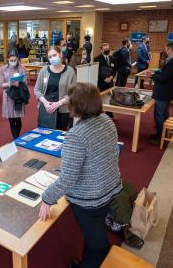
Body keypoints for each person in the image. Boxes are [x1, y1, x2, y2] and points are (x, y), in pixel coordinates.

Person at [39, 83, 122, 268]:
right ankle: (88, 259)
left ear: (76, 106)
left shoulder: (76, 135)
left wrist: (47, 198)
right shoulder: (106, 120)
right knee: (94, 231)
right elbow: (110, 153)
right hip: (110, 186)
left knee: (97, 242)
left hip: (90, 198)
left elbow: (68, 179)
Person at [146, 41, 173, 145]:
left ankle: (159, 138)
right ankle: (162, 133)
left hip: (163, 93)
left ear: (170, 50)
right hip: (167, 92)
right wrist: (156, 72)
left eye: (166, 49)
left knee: (159, 115)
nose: (165, 51)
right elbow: (165, 74)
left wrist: (151, 76)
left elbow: (162, 79)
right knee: (164, 114)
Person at [34, 46, 77, 131]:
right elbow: (37, 89)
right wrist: (45, 103)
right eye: (50, 57)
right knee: (44, 135)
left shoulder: (70, 71)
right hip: (46, 108)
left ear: (60, 54)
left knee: (59, 135)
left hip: (63, 109)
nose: (52, 58)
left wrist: (58, 103)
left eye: (54, 55)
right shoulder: (44, 70)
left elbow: (73, 93)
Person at [0, 51, 29, 139]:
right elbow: (1, 85)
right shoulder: (3, 69)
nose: (13, 62)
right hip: (8, 96)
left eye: (14, 60)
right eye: (11, 60)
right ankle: (15, 139)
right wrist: (10, 83)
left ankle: (17, 136)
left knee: (18, 119)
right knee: (11, 120)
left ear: (17, 59)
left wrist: (20, 83)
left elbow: (25, 83)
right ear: (7, 59)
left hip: (19, 95)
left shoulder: (22, 68)